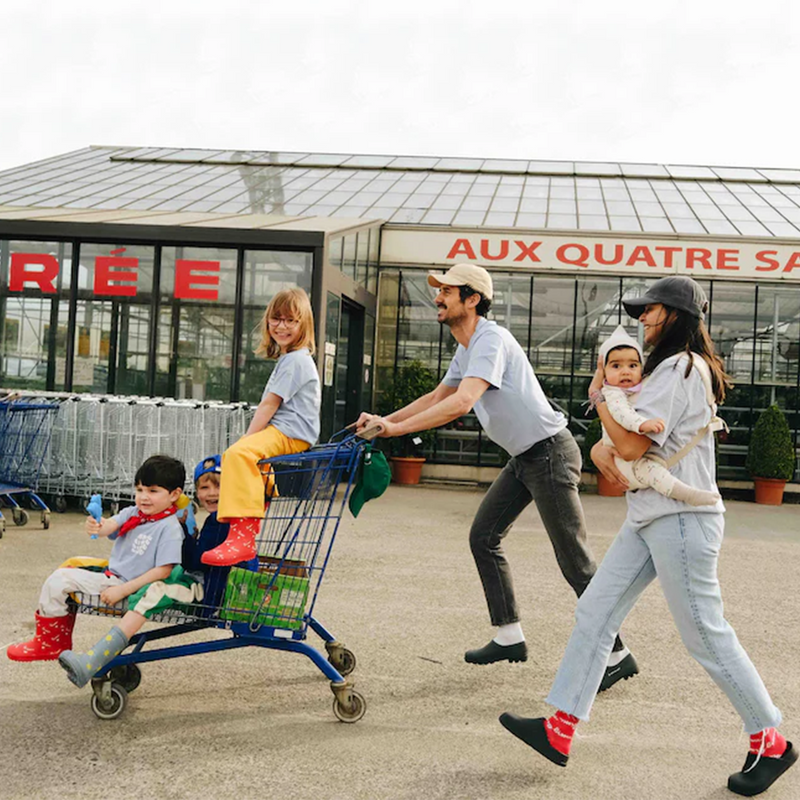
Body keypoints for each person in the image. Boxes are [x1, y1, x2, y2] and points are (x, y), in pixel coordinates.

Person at [499, 275, 796, 797]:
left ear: (676, 315)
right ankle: (559, 729)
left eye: (650, 310)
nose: (641, 319)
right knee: (595, 610)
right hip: (653, 516)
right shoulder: (669, 369)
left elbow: (633, 447)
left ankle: (771, 739)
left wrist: (602, 433)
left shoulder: (680, 367)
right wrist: (605, 436)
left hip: (681, 520)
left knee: (705, 634)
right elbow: (630, 444)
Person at [357, 263, 634, 690]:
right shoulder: (468, 347)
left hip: (549, 454)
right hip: (525, 458)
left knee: (575, 562)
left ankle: (617, 653)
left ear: (472, 299)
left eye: (447, 291)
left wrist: (395, 431)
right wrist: (383, 420)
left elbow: (462, 403)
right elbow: (439, 395)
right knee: (483, 537)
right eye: (439, 290)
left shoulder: (490, 339)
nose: (438, 297)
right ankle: (509, 636)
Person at [7, 456, 187, 667]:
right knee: (71, 566)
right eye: (139, 490)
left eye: (153, 491)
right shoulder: (133, 513)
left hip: (128, 587)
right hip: (113, 577)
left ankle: (50, 642)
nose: (144, 497)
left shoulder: (169, 528)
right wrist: (97, 525)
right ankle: (55, 640)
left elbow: (163, 571)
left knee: (59, 580)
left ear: (174, 494)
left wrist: (123, 590)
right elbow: (111, 525)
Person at [201, 287, 321, 567]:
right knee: (244, 455)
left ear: (304, 324)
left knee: (238, 454)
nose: (282, 326)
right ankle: (263, 491)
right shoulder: (291, 358)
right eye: (276, 319)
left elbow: (270, 404)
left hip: (289, 433)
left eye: (291, 320)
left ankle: (242, 537)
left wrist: (247, 438)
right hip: (287, 431)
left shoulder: (295, 360)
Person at [593, 324, 721, 506]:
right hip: (629, 467)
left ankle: (688, 494)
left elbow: (629, 448)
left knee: (652, 470)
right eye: (616, 366)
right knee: (651, 471)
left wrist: (595, 395)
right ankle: (686, 494)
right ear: (603, 371)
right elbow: (623, 415)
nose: (625, 371)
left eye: (633, 365)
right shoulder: (613, 393)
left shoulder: (673, 370)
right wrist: (641, 425)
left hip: (667, 509)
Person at [182, 454, 259, 609]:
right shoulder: (227, 518)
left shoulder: (219, 522)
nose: (212, 493)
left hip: (216, 595)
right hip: (230, 585)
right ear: (197, 492)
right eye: (205, 487)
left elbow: (197, 563)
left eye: (220, 486)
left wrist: (185, 536)